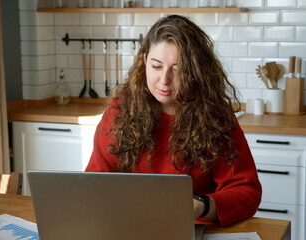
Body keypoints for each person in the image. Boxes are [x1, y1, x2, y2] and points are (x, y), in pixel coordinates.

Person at [85, 14, 262, 227]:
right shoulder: (120, 108)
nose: (165, 80)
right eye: (157, 66)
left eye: (178, 70)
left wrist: (202, 205)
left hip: (190, 227)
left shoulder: (216, 116)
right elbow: (93, 182)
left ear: (195, 71)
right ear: (144, 62)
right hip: (127, 225)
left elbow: (247, 191)